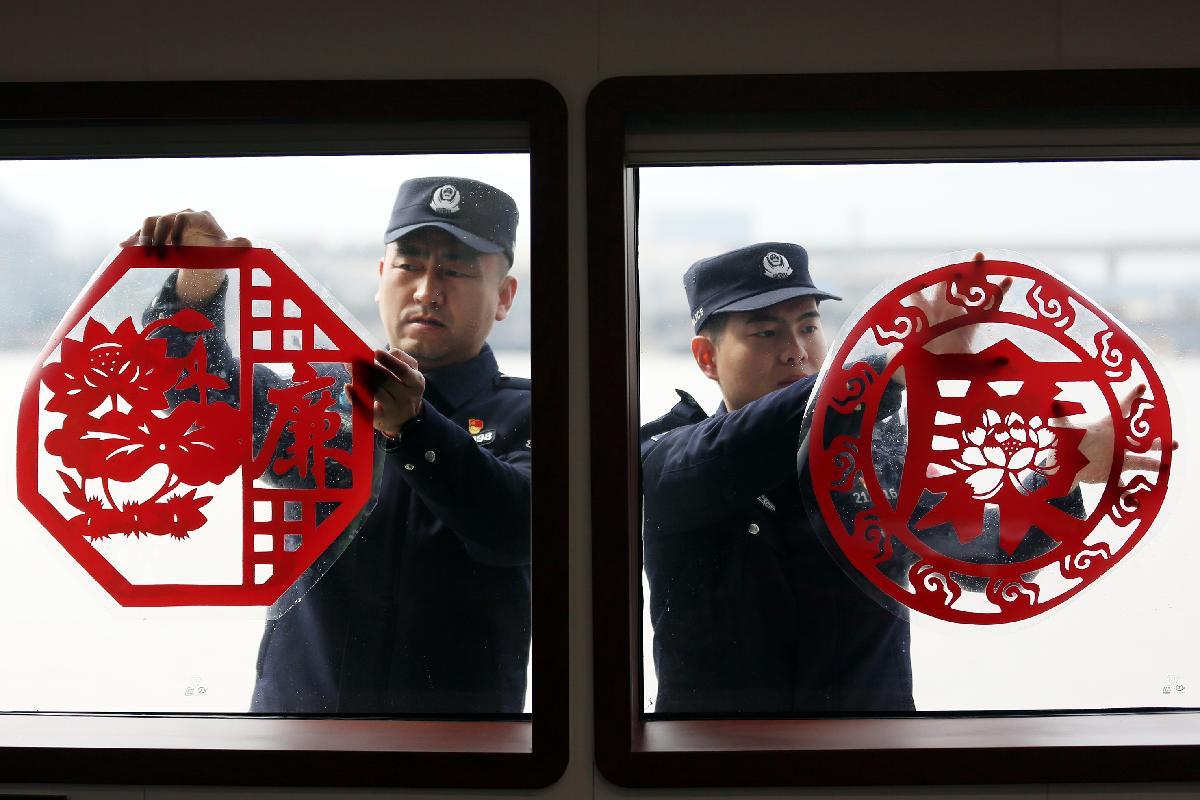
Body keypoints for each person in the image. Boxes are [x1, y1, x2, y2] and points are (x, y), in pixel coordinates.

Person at [133, 177, 532, 714]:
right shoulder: (319, 398)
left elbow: (517, 525)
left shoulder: (533, 416)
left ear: (504, 296)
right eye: (409, 265)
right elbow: (198, 398)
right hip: (295, 743)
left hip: (458, 753)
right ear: (381, 278)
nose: (426, 290)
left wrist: (415, 430)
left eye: (455, 271)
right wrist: (195, 292)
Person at [641, 242, 916, 714]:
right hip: (716, 757)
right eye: (766, 333)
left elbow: (988, 551)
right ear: (707, 358)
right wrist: (878, 373)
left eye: (808, 327)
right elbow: (740, 446)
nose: (796, 352)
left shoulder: (876, 462)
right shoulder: (668, 459)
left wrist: (1052, 478)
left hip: (871, 753)